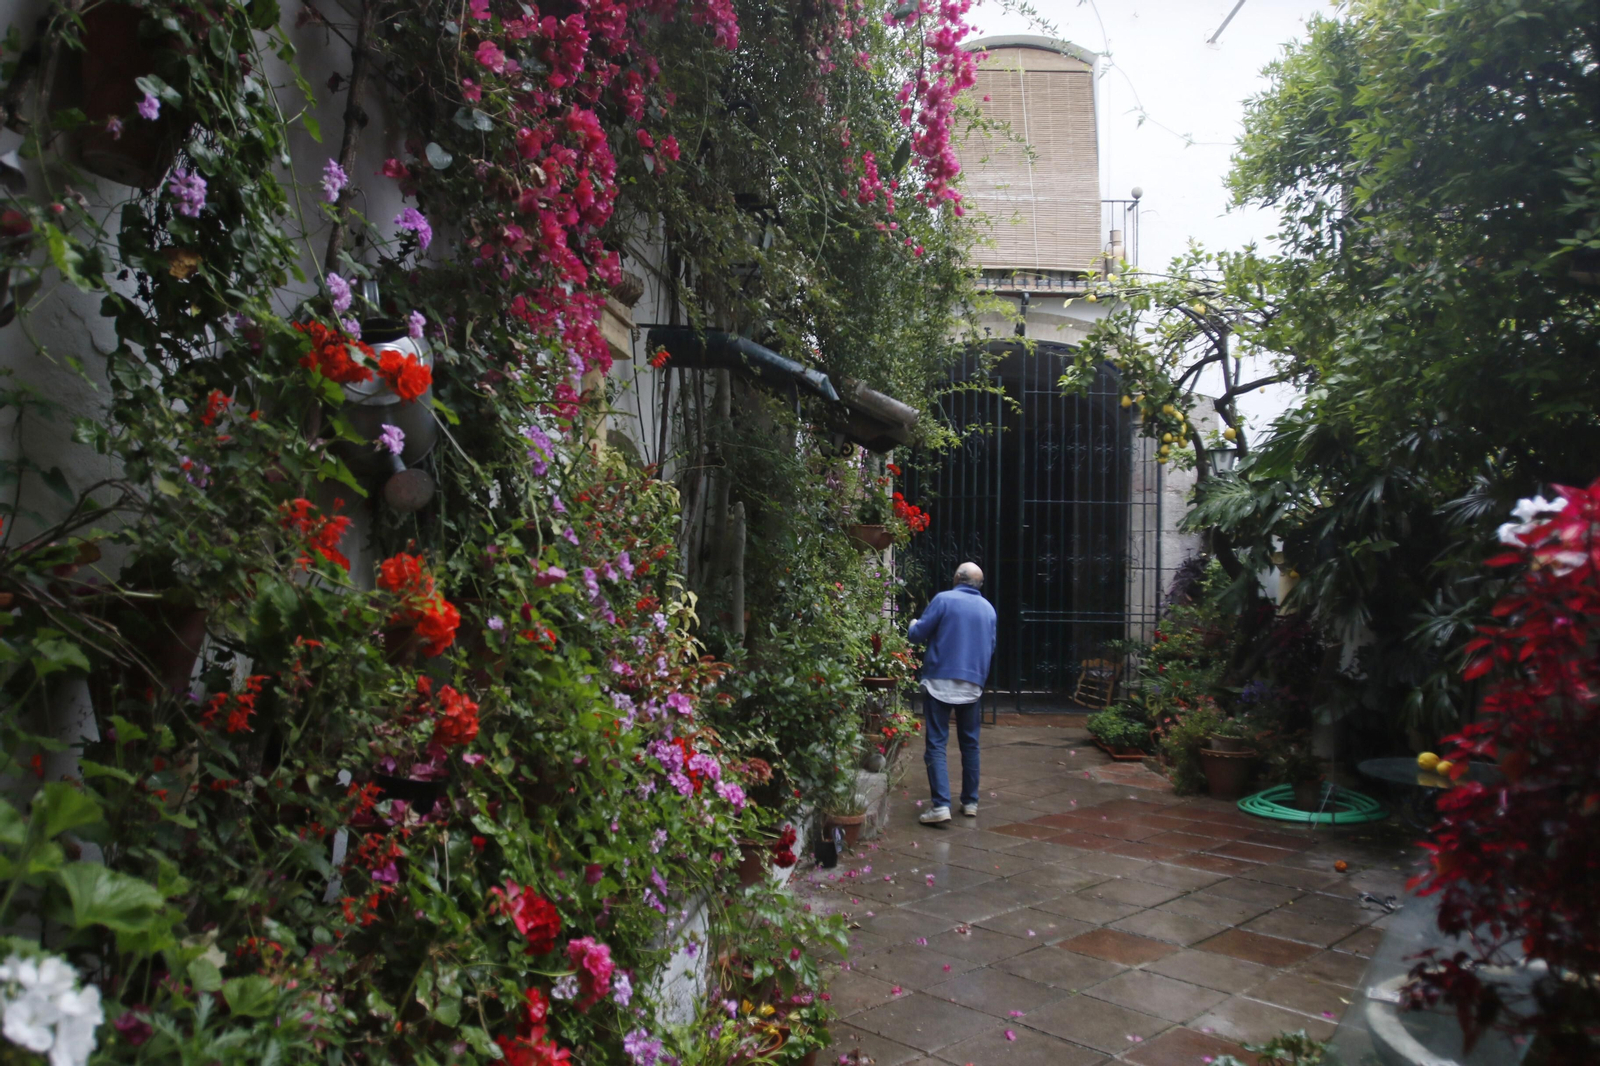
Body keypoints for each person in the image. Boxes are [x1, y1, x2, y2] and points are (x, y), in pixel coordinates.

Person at [907, 562, 997, 824]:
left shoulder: (943, 600)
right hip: (972, 684)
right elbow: (990, 647)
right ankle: (970, 802)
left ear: (957, 578)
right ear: (978, 584)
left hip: (940, 682)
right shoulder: (989, 609)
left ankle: (940, 806)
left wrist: (913, 623)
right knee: (970, 745)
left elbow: (917, 634)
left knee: (936, 743)